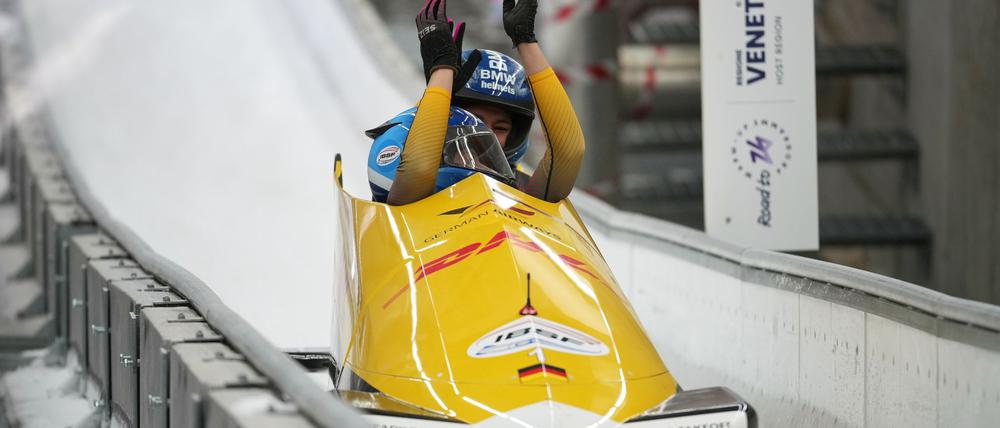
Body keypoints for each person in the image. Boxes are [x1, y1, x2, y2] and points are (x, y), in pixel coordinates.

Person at [368, 0, 584, 206]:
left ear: (514, 138)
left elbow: (569, 153)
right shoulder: (412, 178)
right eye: (475, 121)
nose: (485, 134)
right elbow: (419, 169)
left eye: (500, 128)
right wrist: (441, 74)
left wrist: (526, 41)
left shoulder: (524, 191)